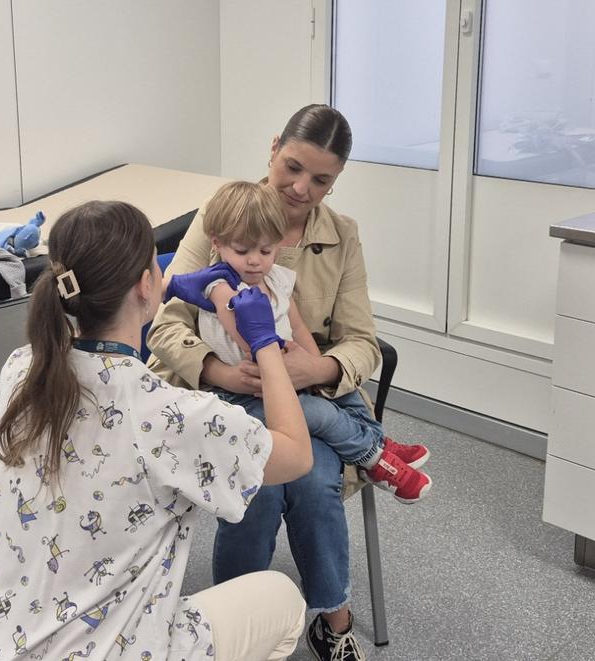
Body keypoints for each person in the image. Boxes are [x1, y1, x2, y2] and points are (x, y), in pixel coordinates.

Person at [0, 200, 315, 661]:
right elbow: (297, 454)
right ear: (144, 283)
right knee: (283, 599)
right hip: (112, 650)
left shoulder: (23, 370)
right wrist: (265, 343)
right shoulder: (173, 416)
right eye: (156, 268)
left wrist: (166, 287)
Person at [148, 104, 424, 660]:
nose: (301, 189)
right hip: (222, 397)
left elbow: (363, 342)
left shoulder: (342, 235)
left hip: (306, 398)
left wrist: (313, 369)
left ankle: (333, 621)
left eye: (320, 180)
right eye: (293, 167)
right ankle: (235, 631)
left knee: (313, 480)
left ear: (336, 180)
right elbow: (164, 324)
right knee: (261, 483)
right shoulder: (224, 211)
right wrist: (224, 371)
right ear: (274, 148)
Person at [195, 179, 431, 503]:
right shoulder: (221, 286)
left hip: (286, 375)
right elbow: (251, 342)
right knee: (321, 414)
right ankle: (374, 459)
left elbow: (298, 325)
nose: (255, 261)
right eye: (242, 251)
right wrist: (289, 372)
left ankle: (377, 441)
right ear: (217, 243)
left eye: (265, 250)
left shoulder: (275, 278)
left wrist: (313, 368)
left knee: (346, 394)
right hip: (248, 394)